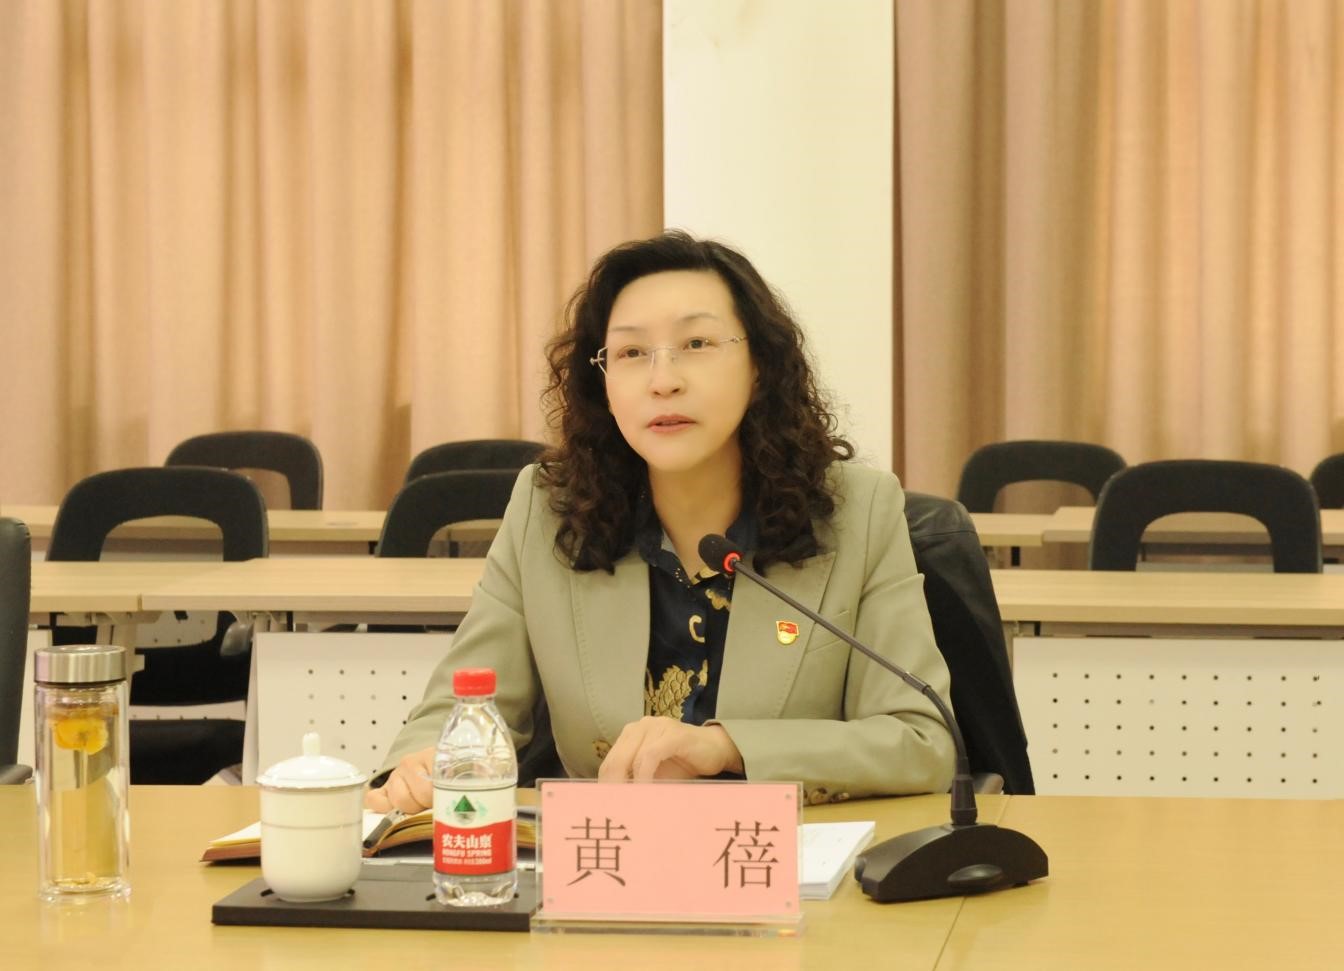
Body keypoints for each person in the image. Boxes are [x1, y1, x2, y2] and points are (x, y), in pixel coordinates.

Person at [366, 231, 955, 813]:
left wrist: (726, 748)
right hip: (608, 853)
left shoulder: (856, 511)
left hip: (785, 857)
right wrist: (422, 763)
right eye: (631, 353)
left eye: (696, 343)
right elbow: (466, 703)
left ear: (759, 367)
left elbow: (921, 740)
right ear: (604, 384)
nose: (663, 379)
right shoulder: (550, 510)